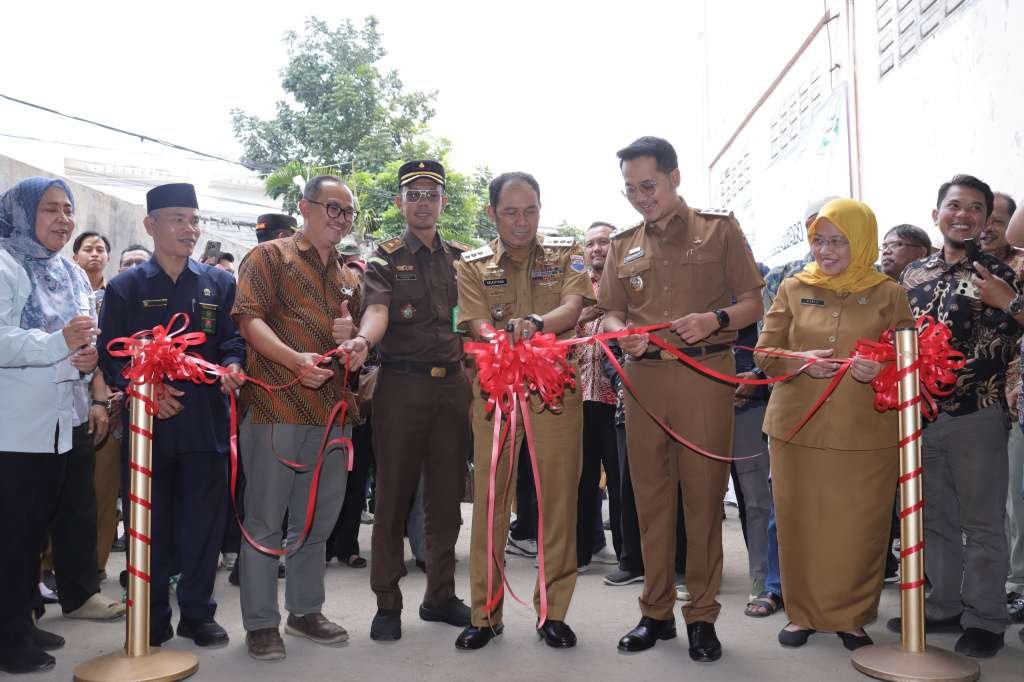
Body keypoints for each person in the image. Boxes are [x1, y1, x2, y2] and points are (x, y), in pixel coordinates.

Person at [599, 136, 764, 662]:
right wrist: (622, 333)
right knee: (649, 501)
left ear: (674, 177)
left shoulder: (719, 230)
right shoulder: (623, 244)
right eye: (630, 189)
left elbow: (753, 302)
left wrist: (715, 320)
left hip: (704, 375)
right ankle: (655, 613)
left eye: (648, 185)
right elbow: (610, 313)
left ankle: (703, 616)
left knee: (703, 501)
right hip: (643, 380)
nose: (640, 197)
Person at [755, 198, 914, 651]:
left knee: (859, 528)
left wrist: (881, 368)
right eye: (819, 240)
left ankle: (851, 617)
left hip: (867, 430)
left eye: (839, 241)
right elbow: (764, 353)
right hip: (796, 428)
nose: (826, 251)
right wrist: (799, 360)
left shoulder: (889, 293)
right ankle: (802, 614)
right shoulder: (793, 287)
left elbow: (911, 358)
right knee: (798, 522)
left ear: (861, 241)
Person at [98, 182, 245, 648]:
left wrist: (233, 366)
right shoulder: (126, 287)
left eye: (194, 220)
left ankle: (198, 614)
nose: (190, 229)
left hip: (205, 422)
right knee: (150, 523)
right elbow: (111, 353)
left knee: (204, 524)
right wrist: (146, 391)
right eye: (178, 219)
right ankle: (152, 615)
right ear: (151, 225)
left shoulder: (219, 283)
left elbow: (233, 340)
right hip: (149, 428)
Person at [454, 171, 592, 650]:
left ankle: (553, 613)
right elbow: (474, 320)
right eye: (510, 212)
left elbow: (573, 307)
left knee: (558, 502)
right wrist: (501, 342)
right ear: (492, 213)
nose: (521, 222)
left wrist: (535, 324)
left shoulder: (566, 253)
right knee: (491, 501)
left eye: (530, 211)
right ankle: (484, 615)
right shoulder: (472, 264)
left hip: (554, 391)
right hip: (497, 391)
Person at [338, 160, 473, 641]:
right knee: (392, 496)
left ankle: (440, 596)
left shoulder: (464, 259)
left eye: (430, 194)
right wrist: (363, 340)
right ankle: (387, 602)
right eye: (413, 195)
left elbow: (476, 319)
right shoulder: (383, 259)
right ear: (399, 203)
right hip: (402, 386)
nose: (422, 203)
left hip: (453, 387)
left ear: (443, 202)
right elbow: (377, 311)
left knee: (446, 498)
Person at [890, 174, 1022, 658]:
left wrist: (1008, 300)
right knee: (935, 517)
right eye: (954, 205)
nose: (962, 215)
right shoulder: (912, 274)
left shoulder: (1001, 274)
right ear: (937, 214)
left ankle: (986, 617)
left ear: (986, 220)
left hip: (977, 412)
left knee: (982, 522)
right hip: (919, 415)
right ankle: (944, 605)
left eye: (974, 208)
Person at [232, 175, 360, 661]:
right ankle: (261, 623)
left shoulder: (348, 275)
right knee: (266, 520)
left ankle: (305, 611)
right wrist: (293, 361)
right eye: (332, 207)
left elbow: (358, 343)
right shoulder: (269, 257)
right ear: (305, 207)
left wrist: (353, 337)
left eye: (348, 212)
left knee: (316, 520)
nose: (340, 219)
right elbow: (248, 319)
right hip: (276, 407)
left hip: (332, 412)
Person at [0, 177, 100, 674]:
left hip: (64, 420)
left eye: (67, 209)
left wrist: (86, 358)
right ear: (21, 213)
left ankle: (23, 618)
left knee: (34, 532)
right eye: (49, 209)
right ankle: (7, 639)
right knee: (12, 538)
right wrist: (60, 343)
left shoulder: (71, 272)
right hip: (15, 427)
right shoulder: (5, 264)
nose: (63, 219)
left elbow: (85, 334)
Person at [72, 232, 122, 577]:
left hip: (110, 403)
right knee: (65, 493)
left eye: (100, 249)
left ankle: (95, 567)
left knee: (103, 492)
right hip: (71, 402)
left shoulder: (117, 295)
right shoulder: (64, 293)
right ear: (75, 256)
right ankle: (50, 566)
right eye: (87, 249)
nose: (94, 254)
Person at [575, 221, 622, 572]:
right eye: (591, 243)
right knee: (581, 479)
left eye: (604, 242)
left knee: (620, 480)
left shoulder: (627, 284)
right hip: (577, 396)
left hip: (615, 398)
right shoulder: (575, 289)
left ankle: (628, 557)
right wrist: (582, 315)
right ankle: (580, 552)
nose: (597, 249)